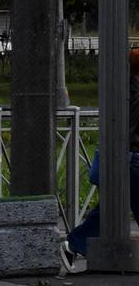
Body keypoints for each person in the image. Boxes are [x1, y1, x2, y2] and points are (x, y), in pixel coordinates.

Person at [59, 48, 139, 272]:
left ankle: (72, 244)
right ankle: (72, 244)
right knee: (114, 207)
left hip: (127, 155)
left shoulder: (128, 86)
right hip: (131, 156)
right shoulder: (132, 89)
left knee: (112, 207)